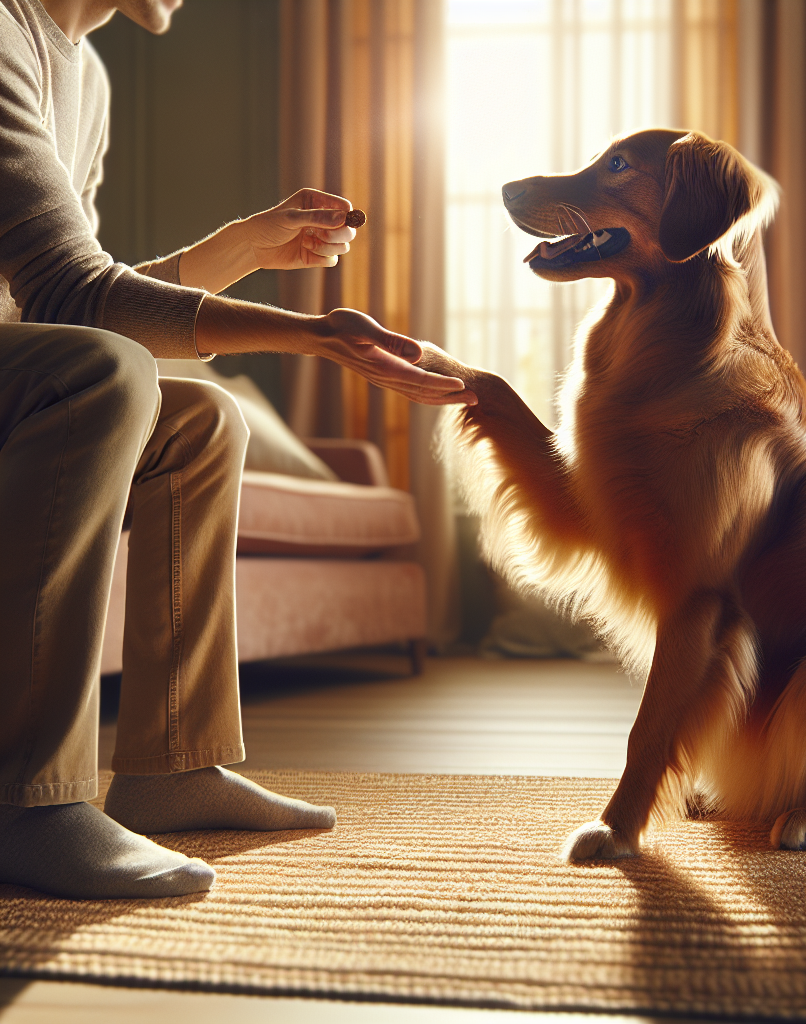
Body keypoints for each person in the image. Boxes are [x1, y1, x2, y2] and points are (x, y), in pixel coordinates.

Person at [0, 0, 474, 900]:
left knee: (201, 421)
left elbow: (68, 290)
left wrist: (237, 252)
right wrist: (310, 336)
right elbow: (74, 297)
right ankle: (24, 800)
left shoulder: (86, 75)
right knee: (103, 375)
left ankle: (174, 765)